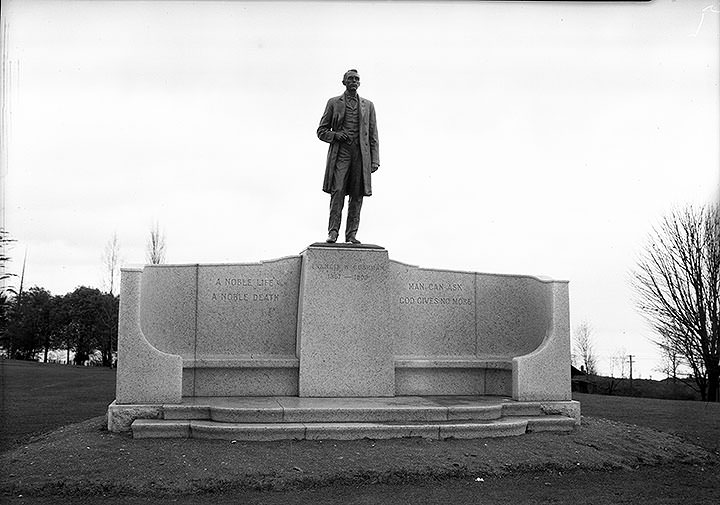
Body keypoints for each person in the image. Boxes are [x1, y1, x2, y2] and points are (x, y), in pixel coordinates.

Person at [317, 69, 379, 244]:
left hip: (361, 155)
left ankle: (351, 234)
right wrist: (336, 135)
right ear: (343, 82)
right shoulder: (333, 103)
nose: (354, 81)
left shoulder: (369, 105)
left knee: (357, 195)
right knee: (337, 191)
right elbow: (321, 131)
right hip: (341, 154)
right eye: (350, 79)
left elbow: (373, 134)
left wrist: (375, 160)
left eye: (357, 79)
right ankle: (333, 232)